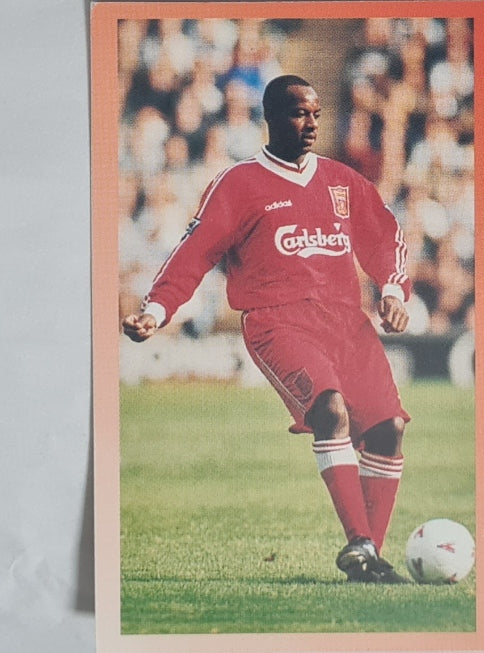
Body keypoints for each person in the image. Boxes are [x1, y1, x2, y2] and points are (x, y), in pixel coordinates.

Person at [122, 74, 412, 583]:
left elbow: (385, 237)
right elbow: (194, 253)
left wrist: (392, 290)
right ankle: (360, 543)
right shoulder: (238, 184)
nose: (311, 124)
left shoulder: (343, 181)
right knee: (330, 409)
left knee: (389, 428)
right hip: (277, 321)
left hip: (346, 320)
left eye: (316, 114)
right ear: (271, 117)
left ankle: (368, 556)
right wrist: (157, 309)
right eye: (299, 113)